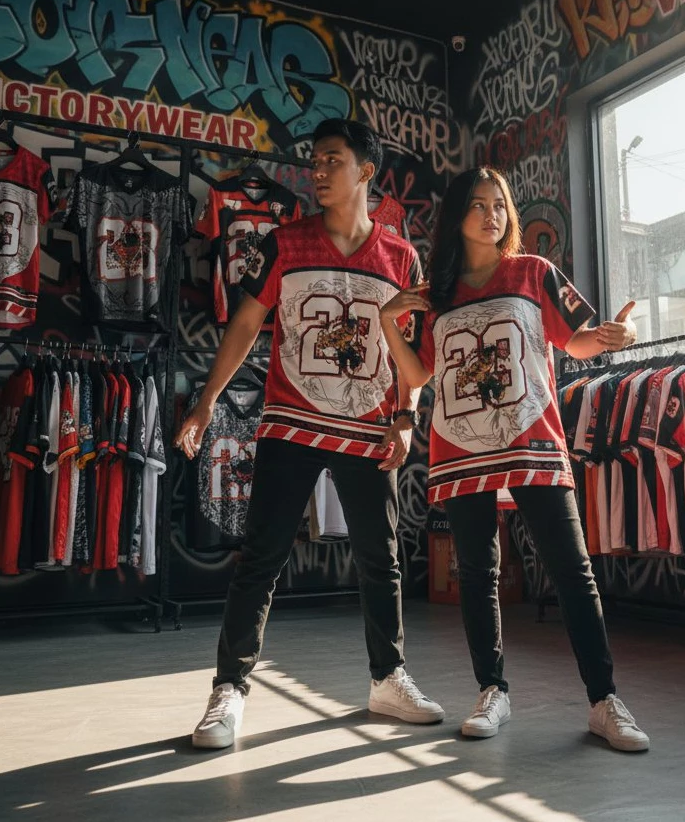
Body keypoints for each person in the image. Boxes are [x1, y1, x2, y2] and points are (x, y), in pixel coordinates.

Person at [175, 119, 444, 750]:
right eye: (315, 161)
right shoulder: (284, 243)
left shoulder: (400, 257)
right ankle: (229, 690)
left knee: (381, 559)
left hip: (367, 427)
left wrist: (406, 417)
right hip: (291, 421)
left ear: (365, 171)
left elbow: (409, 352)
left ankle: (388, 678)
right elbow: (246, 323)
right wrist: (206, 402)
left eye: (332, 161)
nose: (317, 171)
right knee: (261, 558)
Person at [378, 167, 649, 751]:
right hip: (461, 449)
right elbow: (418, 374)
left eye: (499, 204)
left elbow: (578, 340)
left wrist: (617, 335)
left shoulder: (534, 272)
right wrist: (385, 321)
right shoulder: (436, 294)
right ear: (457, 216)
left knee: (572, 569)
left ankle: (604, 700)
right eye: (478, 205)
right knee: (478, 573)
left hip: (534, 443)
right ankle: (491, 690)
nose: (491, 215)